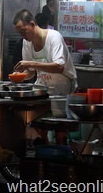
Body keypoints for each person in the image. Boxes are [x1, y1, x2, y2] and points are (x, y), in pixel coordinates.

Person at [12, 9, 77, 144]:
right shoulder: (27, 42)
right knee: (40, 127)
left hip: (62, 89)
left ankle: (60, 156)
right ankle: (44, 154)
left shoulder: (54, 37)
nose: (22, 35)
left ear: (32, 24)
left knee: (60, 129)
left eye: (23, 31)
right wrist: (20, 77)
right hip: (42, 89)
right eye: (19, 33)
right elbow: (31, 72)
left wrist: (30, 63)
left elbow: (59, 66)